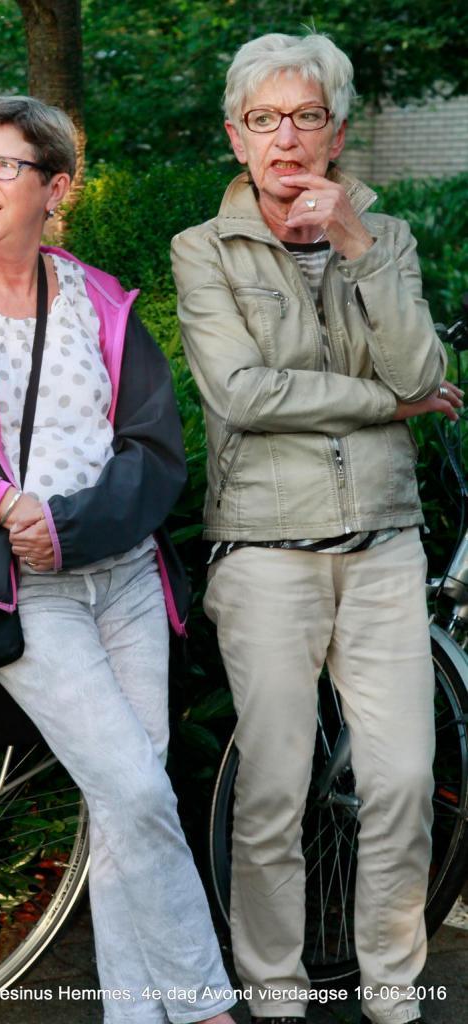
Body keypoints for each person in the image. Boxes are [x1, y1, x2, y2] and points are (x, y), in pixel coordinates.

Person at [0, 94, 236, 1024]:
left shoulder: (98, 298)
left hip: (126, 578)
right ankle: (204, 1008)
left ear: (56, 188)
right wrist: (2, 503)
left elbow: (154, 449)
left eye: (4, 165)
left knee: (125, 805)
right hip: (22, 589)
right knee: (136, 790)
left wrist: (71, 525)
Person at [171, 32, 461, 1024]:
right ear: (234, 136)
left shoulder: (385, 238)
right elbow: (242, 394)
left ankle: (391, 991)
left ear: (335, 133)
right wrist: (385, 406)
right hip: (263, 550)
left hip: (382, 544)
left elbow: (422, 371)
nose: (284, 138)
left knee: (403, 780)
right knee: (272, 791)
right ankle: (275, 995)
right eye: (263, 120)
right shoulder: (202, 250)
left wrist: (355, 247)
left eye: (304, 117)